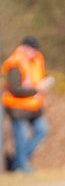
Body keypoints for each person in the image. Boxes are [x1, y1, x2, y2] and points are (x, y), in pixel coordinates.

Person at [2, 36, 54, 173]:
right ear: (25, 48)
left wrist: (44, 84)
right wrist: (36, 89)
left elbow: (37, 79)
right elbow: (15, 88)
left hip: (34, 108)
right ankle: (22, 165)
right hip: (17, 107)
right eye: (32, 49)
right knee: (20, 138)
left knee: (42, 130)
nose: (35, 52)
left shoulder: (36, 61)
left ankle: (19, 161)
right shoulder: (16, 63)